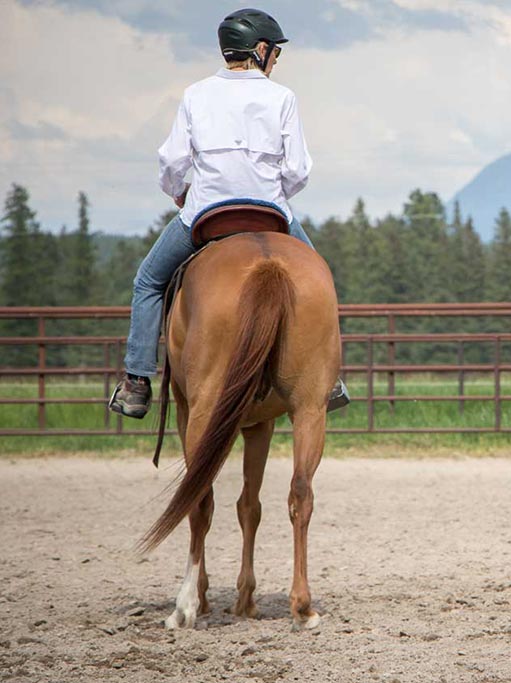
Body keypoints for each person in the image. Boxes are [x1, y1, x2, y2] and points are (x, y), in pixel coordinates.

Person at [109, 8, 348, 419]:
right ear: (260, 50)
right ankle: (327, 377)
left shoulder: (195, 94)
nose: (277, 59)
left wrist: (181, 194)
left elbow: (171, 162)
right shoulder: (283, 97)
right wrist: (275, 194)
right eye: (275, 52)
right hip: (271, 212)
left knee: (148, 281)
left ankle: (136, 380)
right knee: (319, 277)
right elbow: (297, 170)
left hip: (206, 212)